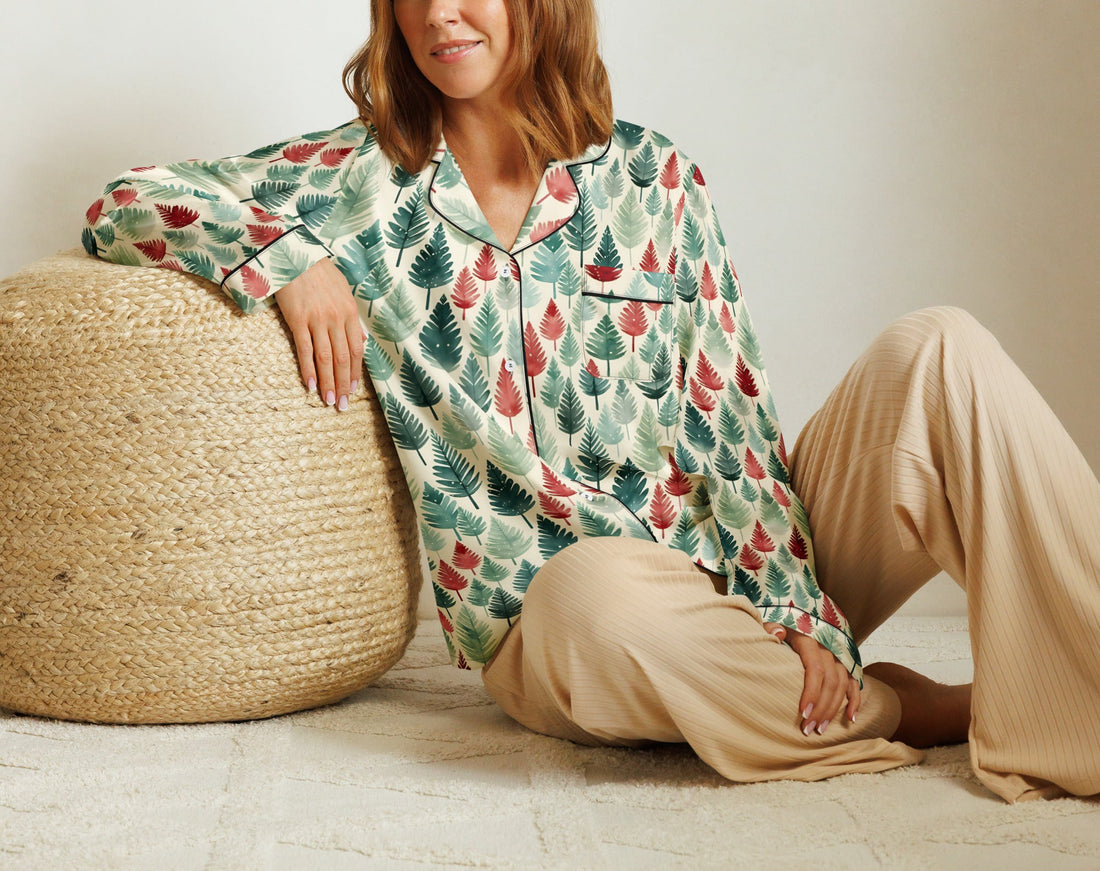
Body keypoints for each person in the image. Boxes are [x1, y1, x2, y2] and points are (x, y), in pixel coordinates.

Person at [82, 0, 1099, 803]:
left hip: (730, 565)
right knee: (594, 595)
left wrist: (794, 605)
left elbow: (730, 415)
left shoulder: (657, 178)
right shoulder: (355, 181)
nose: (438, 14)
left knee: (938, 348)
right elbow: (126, 200)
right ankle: (908, 707)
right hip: (563, 616)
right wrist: (285, 258)